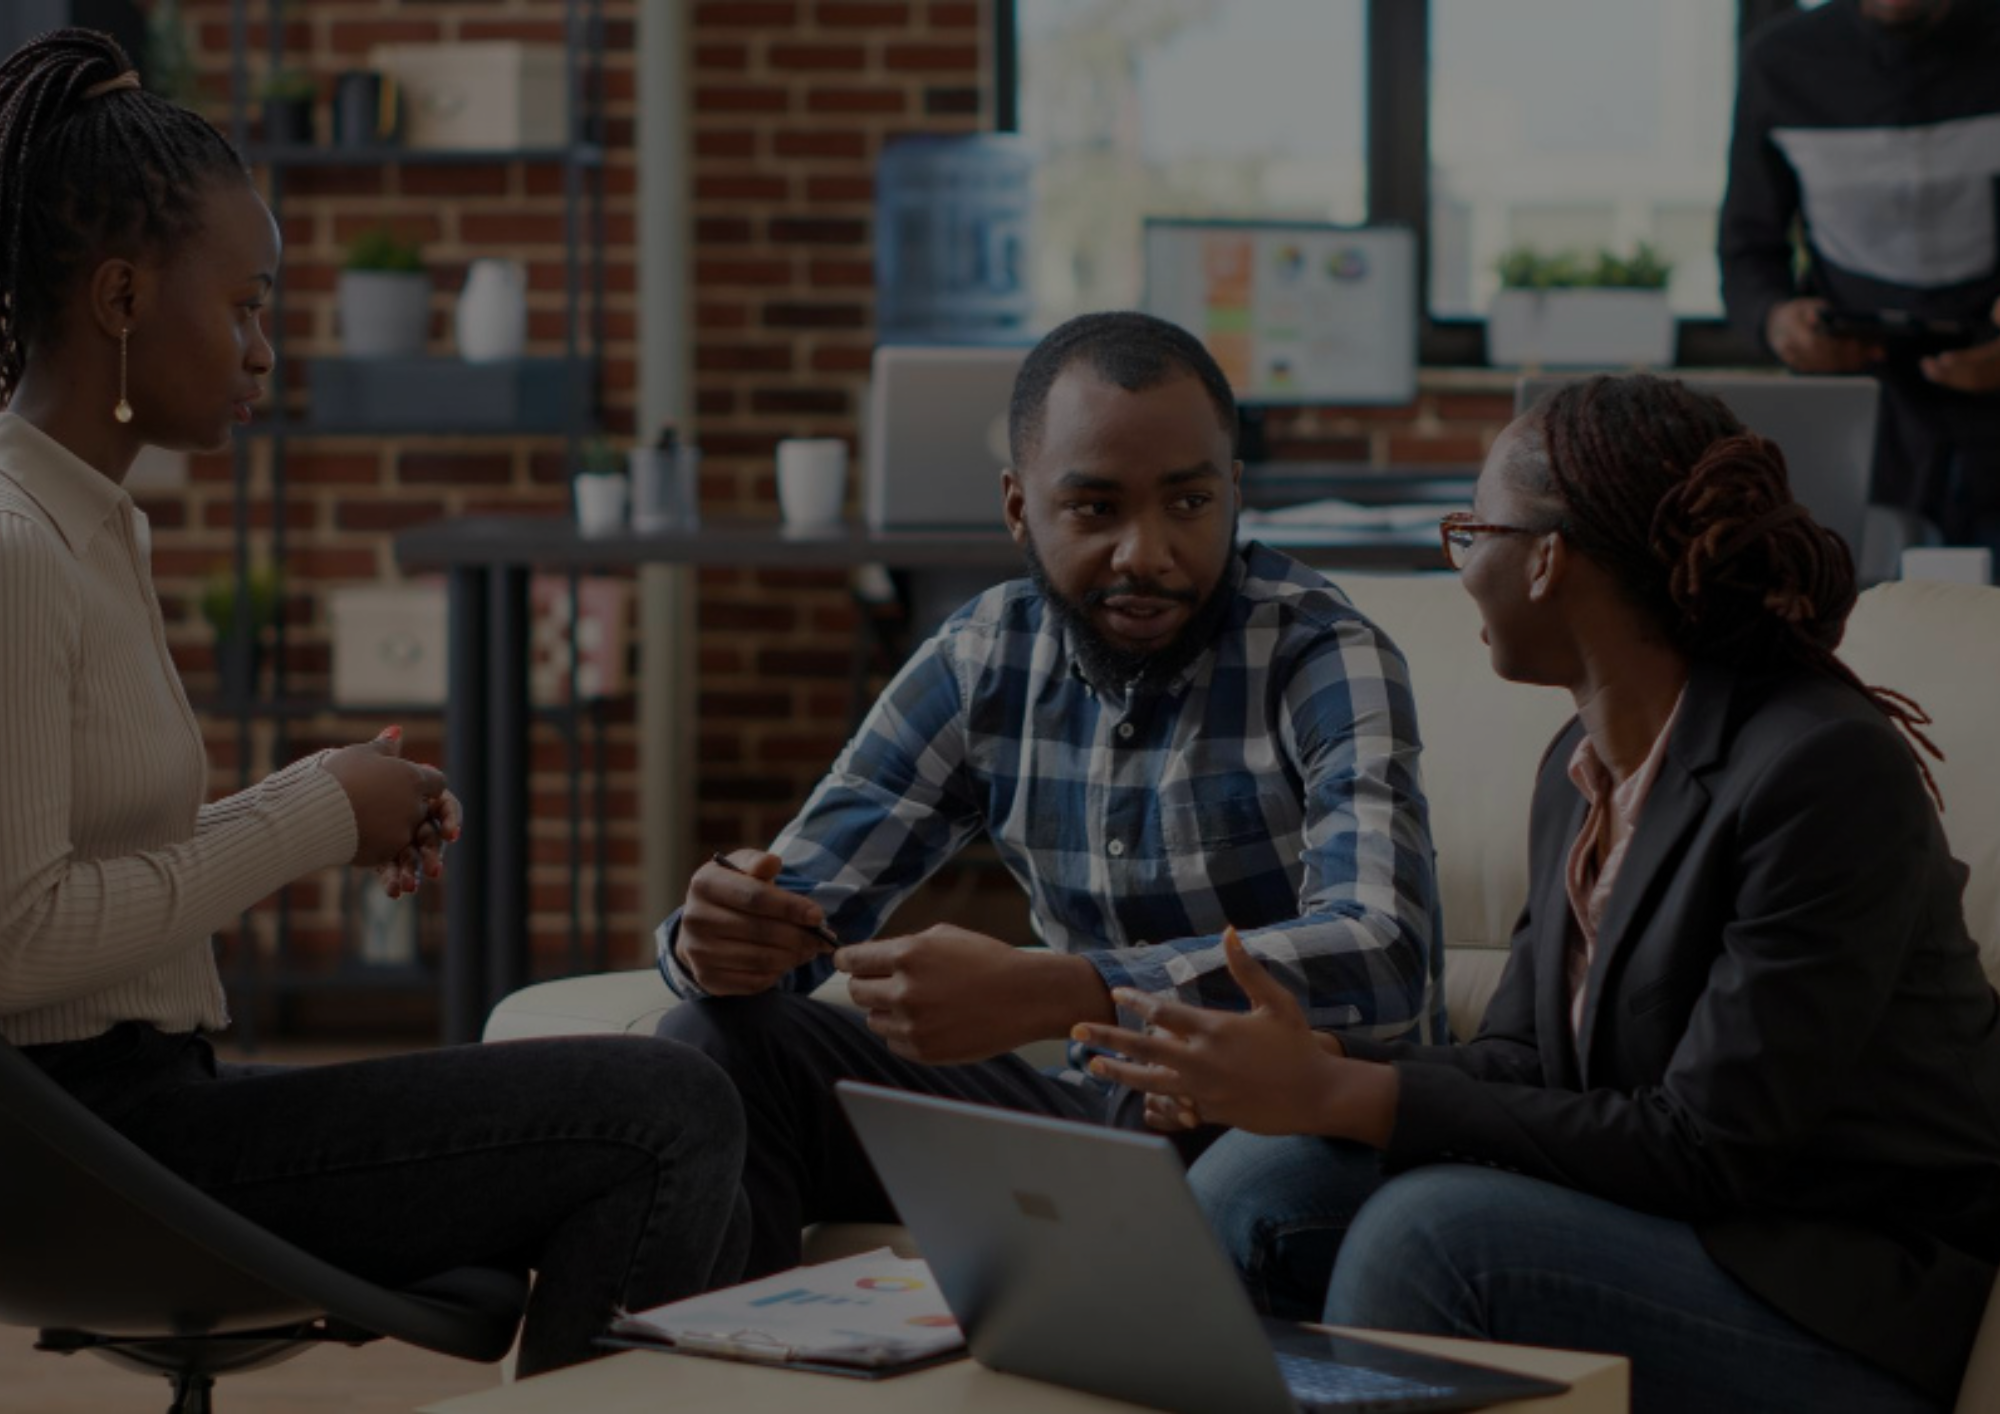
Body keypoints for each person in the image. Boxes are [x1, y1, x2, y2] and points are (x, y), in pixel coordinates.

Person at [0, 30, 746, 1374]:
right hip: (85, 1145)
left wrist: (333, 804)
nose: (263, 348)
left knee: (710, 1136)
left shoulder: (88, 524)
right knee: (665, 1111)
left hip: (139, 1111)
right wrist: (305, 814)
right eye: (244, 305)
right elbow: (15, 938)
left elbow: (82, 859)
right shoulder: (14, 545)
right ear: (119, 297)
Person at [1072, 373, 2000, 1413]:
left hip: (1834, 1286)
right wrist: (1303, 1071)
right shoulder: (1579, 763)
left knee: (1429, 1239)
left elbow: (1710, 1147)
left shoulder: (1819, 769)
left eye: (1470, 530)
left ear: (1547, 559)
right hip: (1665, 1220)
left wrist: (1349, 1093)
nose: (1459, 566)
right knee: (1261, 1176)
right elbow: (1521, 1059)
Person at [658, 310, 1445, 1278]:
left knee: (1246, 1177)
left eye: (1188, 503)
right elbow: (798, 901)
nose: (1144, 554)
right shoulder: (981, 656)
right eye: (1094, 508)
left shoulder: (1323, 656)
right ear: (1017, 507)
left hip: (1277, 1113)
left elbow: (1385, 952)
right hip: (1091, 1106)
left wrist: (1069, 989)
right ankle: (726, 1372)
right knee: (714, 1042)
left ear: (1234, 492)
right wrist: (719, 938)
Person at [1719, 0, 2000, 559]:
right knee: (1850, 617)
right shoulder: (1779, 61)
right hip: (1861, 409)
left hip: (1993, 398)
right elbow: (1747, 249)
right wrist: (1779, 323)